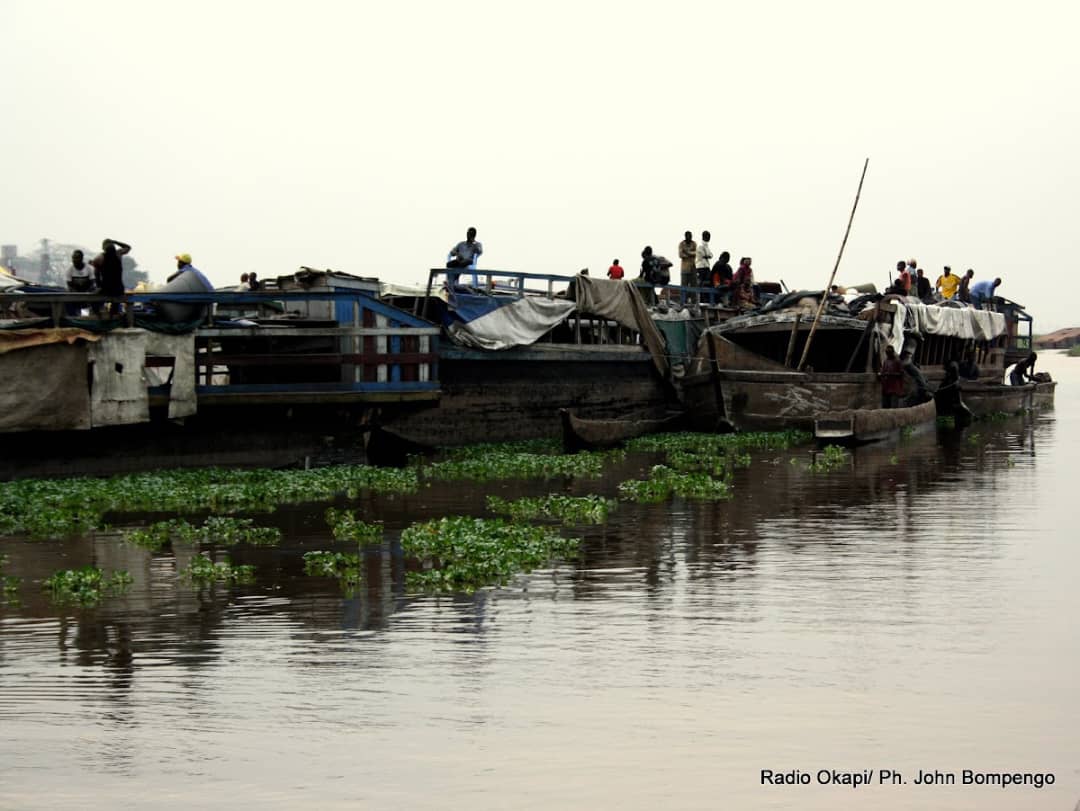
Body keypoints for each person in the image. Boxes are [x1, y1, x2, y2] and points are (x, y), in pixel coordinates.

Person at [94, 238, 131, 317]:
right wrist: (115, 241)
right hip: (117, 288)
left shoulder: (100, 257)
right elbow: (128, 247)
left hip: (107, 288)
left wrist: (98, 286)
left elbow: (96, 273)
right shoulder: (118, 254)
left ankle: (102, 315)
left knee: (95, 301)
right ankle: (110, 314)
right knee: (114, 306)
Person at [678, 231, 697, 299]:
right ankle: (683, 301)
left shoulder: (694, 243)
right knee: (684, 286)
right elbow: (681, 255)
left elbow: (696, 253)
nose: (689, 237)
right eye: (688, 236)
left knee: (694, 286)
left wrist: (687, 252)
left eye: (690, 236)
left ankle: (694, 302)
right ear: (685, 236)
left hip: (693, 267)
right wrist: (690, 254)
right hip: (684, 268)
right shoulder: (681, 244)